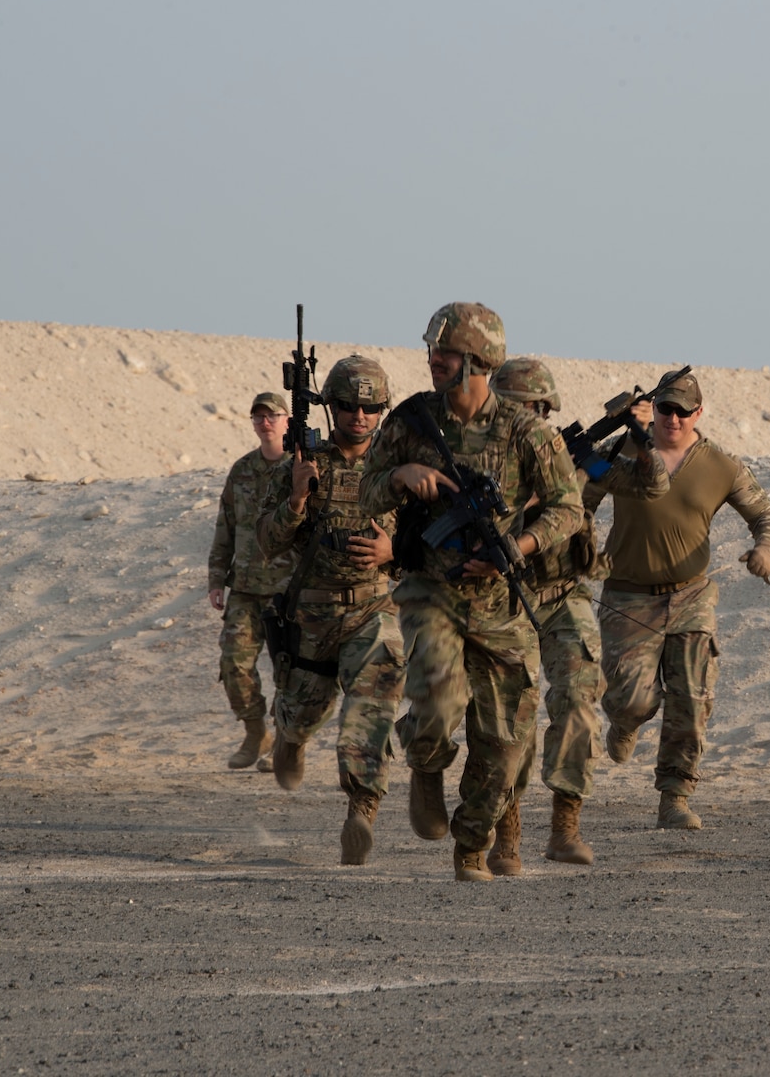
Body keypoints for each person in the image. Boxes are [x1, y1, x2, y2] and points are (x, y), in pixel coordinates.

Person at [358, 302, 583, 882]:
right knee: (439, 699)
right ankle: (426, 761)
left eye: (446, 353)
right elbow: (366, 495)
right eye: (432, 350)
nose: (432, 360)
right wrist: (400, 478)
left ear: (478, 361)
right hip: (431, 591)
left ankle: (473, 846)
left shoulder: (525, 431)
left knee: (507, 744)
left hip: (502, 605)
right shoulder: (410, 422)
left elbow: (568, 508)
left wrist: (519, 547)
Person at [486, 357, 669, 875]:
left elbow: (650, 486)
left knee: (579, 701)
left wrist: (641, 434)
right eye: (519, 410)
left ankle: (565, 827)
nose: (529, 419)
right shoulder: (480, 459)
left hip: (565, 593)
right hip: (503, 597)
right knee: (509, 719)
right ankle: (508, 834)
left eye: (537, 411)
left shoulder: (576, 459)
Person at [594, 370, 770, 830]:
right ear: (652, 409)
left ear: (698, 413)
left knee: (692, 698)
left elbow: (763, 513)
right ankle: (624, 721)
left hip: (692, 595)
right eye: (665, 409)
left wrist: (766, 549)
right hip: (627, 597)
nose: (672, 418)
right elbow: (573, 501)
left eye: (682, 411)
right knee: (633, 700)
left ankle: (674, 796)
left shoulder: (721, 465)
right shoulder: (622, 452)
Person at [258, 356, 404, 866]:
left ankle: (362, 810)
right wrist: (296, 498)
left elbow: (429, 542)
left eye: (369, 407)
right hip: (313, 615)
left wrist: (394, 554)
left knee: (371, 707)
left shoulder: (396, 467)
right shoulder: (306, 460)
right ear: (331, 406)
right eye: (347, 405)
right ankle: (290, 738)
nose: (358, 416)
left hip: (374, 609)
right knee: (303, 713)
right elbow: (266, 543)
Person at [207, 391, 296, 771]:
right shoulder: (241, 470)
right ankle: (256, 731)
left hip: (288, 589)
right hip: (244, 586)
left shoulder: (300, 469)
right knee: (233, 660)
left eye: (272, 415)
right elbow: (225, 526)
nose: (265, 423)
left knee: (290, 672)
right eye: (258, 417)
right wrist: (216, 577)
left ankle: (288, 745)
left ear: (287, 421)